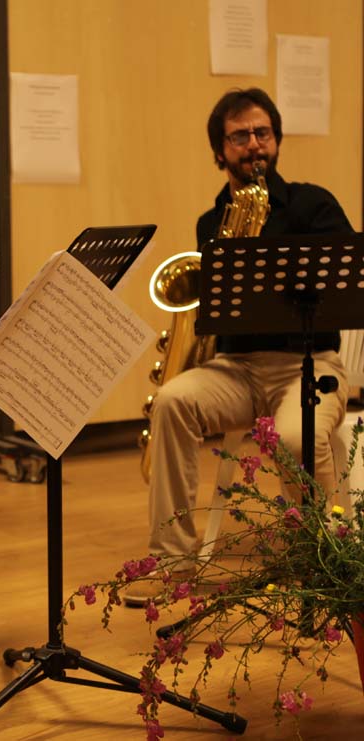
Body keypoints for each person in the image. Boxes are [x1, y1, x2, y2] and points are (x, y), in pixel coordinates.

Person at [124, 87, 353, 607]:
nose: (253, 144)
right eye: (239, 136)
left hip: (308, 363)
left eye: (262, 133)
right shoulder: (212, 223)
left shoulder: (314, 205)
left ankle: (319, 557)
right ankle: (173, 562)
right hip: (237, 367)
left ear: (277, 140)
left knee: (294, 435)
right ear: (219, 151)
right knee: (172, 401)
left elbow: (344, 286)